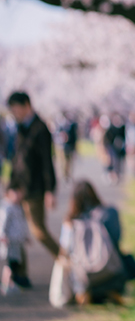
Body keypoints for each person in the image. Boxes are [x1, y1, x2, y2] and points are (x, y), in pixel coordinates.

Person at [6, 92, 59, 279]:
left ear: (26, 104)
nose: (15, 113)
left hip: (34, 189)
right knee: (15, 232)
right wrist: (11, 187)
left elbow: (47, 161)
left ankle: (65, 261)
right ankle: (19, 273)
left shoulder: (39, 128)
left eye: (16, 108)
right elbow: (17, 160)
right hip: (18, 189)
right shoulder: (20, 128)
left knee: (39, 231)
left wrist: (50, 190)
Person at [57, 180, 127, 305]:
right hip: (110, 270)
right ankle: (111, 291)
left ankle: (83, 293)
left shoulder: (70, 221)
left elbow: (65, 248)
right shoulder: (109, 213)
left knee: (70, 263)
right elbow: (117, 239)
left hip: (84, 276)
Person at [0, 187, 30, 294]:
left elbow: (21, 224)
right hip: (9, 242)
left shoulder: (19, 207)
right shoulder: (6, 208)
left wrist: (25, 236)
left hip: (17, 241)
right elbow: (2, 222)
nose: (17, 196)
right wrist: (2, 235)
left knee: (16, 263)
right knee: (9, 264)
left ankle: (12, 283)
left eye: (19, 193)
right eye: (14, 193)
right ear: (8, 193)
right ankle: (6, 284)